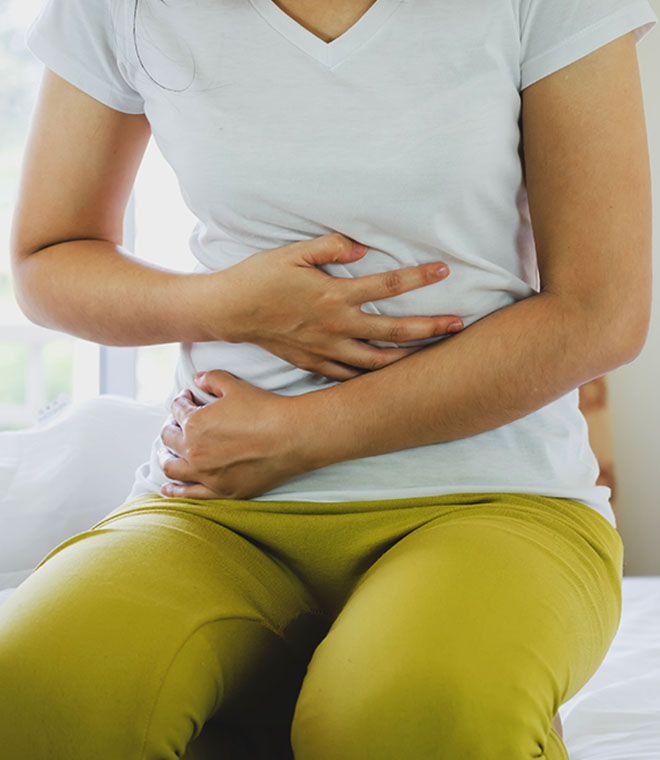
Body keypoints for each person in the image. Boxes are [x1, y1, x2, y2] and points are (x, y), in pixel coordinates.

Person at [2, 0, 657, 757]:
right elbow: (48, 257)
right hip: (217, 507)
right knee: (33, 695)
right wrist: (223, 305)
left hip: (492, 498)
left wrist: (299, 435)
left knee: (406, 720)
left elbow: (602, 311)